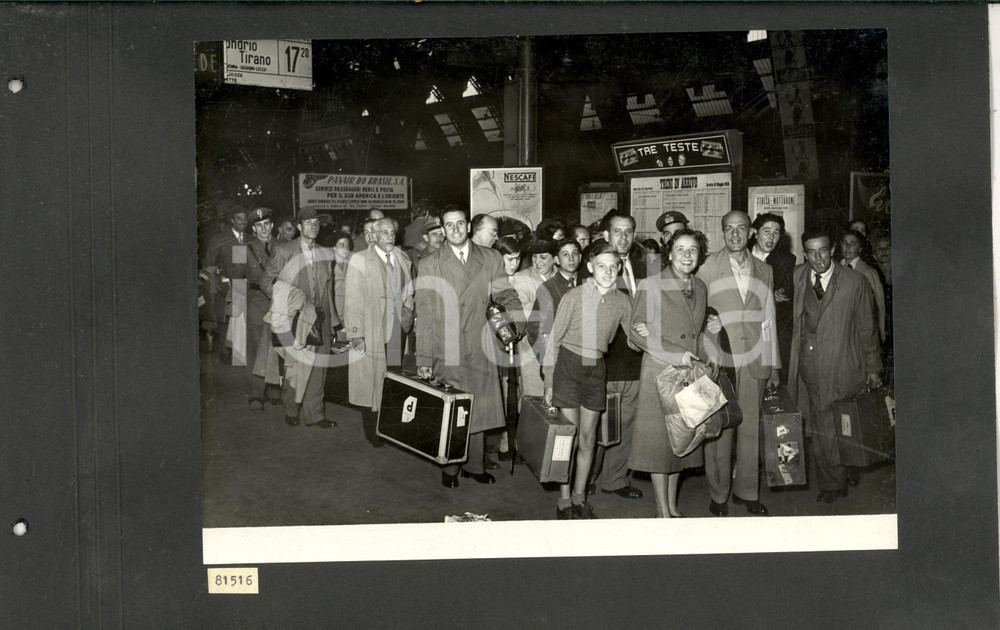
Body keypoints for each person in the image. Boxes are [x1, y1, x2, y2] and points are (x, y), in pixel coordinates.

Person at [415, 207, 523, 488]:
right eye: (449, 225)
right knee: (453, 408)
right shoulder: (430, 263)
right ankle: (450, 467)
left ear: (468, 226)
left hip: (480, 342)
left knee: (477, 406)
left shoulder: (490, 257)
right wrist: (424, 357)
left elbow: (504, 292)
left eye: (460, 223)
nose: (455, 230)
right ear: (442, 229)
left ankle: (474, 465)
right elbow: (424, 313)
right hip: (446, 346)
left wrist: (517, 319)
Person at [787, 228, 881, 501]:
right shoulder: (798, 276)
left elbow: (867, 329)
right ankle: (831, 482)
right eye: (811, 252)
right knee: (823, 424)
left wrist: (873, 367)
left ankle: (846, 467)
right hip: (811, 366)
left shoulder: (855, 281)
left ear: (833, 250)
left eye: (823, 251)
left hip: (845, 365)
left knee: (842, 423)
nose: (818, 259)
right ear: (804, 254)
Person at [695, 210, 780, 516]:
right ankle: (718, 495)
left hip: (755, 358)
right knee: (720, 428)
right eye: (728, 229)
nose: (734, 234)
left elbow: (768, 318)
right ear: (722, 232)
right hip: (720, 358)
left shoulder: (764, 269)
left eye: (741, 228)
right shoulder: (706, 266)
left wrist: (774, 364)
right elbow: (696, 312)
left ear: (750, 232)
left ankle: (747, 491)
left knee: (750, 429)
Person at [543, 241, 634, 519]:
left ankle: (580, 498)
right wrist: (549, 381)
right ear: (590, 267)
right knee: (568, 437)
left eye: (613, 267)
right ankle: (564, 500)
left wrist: (647, 331)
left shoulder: (623, 301)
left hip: (596, 368)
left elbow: (635, 341)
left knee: (588, 438)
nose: (608, 271)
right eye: (602, 266)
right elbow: (554, 339)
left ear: (619, 268)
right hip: (568, 365)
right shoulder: (575, 295)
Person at [628, 228, 712, 518]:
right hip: (660, 371)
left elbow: (698, 332)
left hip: (689, 373)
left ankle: (673, 507)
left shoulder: (700, 286)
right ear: (669, 253)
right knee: (659, 445)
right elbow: (635, 332)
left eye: (693, 250)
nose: (687, 255)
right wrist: (676, 354)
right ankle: (662, 511)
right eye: (680, 249)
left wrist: (707, 358)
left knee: (682, 440)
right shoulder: (650, 285)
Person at [578, 212, 647, 500]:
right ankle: (586, 477)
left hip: (635, 359)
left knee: (627, 423)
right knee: (597, 425)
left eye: (628, 231)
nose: (623, 237)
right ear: (606, 235)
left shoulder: (643, 267)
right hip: (604, 361)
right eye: (617, 231)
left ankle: (615, 479)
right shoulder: (594, 269)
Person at [261, 207, 342, 429]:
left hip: (320, 319)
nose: (313, 227)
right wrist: (288, 299)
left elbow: (328, 290)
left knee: (319, 367)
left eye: (316, 223)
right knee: (295, 366)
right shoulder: (284, 250)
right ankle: (291, 409)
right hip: (296, 318)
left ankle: (315, 414)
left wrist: (334, 324)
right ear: (299, 226)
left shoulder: (326, 253)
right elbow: (266, 281)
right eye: (308, 223)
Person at [345, 218, 415, 448]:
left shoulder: (402, 257)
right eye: (384, 232)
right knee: (372, 382)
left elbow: (409, 290)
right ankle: (374, 432)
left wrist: (407, 312)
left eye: (392, 232)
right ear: (373, 236)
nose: (390, 236)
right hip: (373, 329)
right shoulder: (359, 259)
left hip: (397, 331)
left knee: (392, 379)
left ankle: (389, 428)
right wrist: (356, 333)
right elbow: (352, 299)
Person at [510, 239, 559, 398]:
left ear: (555, 258)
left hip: (559, 349)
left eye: (543, 257)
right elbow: (523, 312)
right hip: (531, 350)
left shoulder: (562, 276)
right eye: (534, 257)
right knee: (534, 400)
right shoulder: (521, 278)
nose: (537, 262)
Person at [751, 212, 796, 382]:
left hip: (772, 327)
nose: (771, 237)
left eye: (776, 232)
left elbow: (787, 293)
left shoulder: (787, 260)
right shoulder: (742, 255)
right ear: (755, 233)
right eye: (766, 231)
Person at [204, 205, 248, 364]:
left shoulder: (250, 239)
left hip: (244, 285)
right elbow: (210, 263)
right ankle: (224, 352)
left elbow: (243, 266)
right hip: (225, 287)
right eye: (239, 218)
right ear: (232, 221)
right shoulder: (219, 239)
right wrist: (213, 286)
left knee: (240, 322)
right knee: (226, 321)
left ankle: (238, 355)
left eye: (245, 218)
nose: (243, 221)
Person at [243, 207, 275, 411]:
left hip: (280, 301)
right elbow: (237, 279)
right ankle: (256, 394)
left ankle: (276, 389)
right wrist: (236, 310)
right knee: (256, 347)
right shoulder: (242, 249)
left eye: (266, 224)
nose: (263, 229)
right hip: (256, 301)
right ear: (254, 229)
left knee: (279, 345)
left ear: (272, 225)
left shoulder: (283, 246)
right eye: (259, 225)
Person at [840, 229, 886, 343]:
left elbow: (880, 304)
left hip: (862, 331)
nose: (848, 247)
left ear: (860, 248)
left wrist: (881, 330)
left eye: (852, 243)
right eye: (845, 243)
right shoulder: (835, 269)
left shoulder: (868, 272)